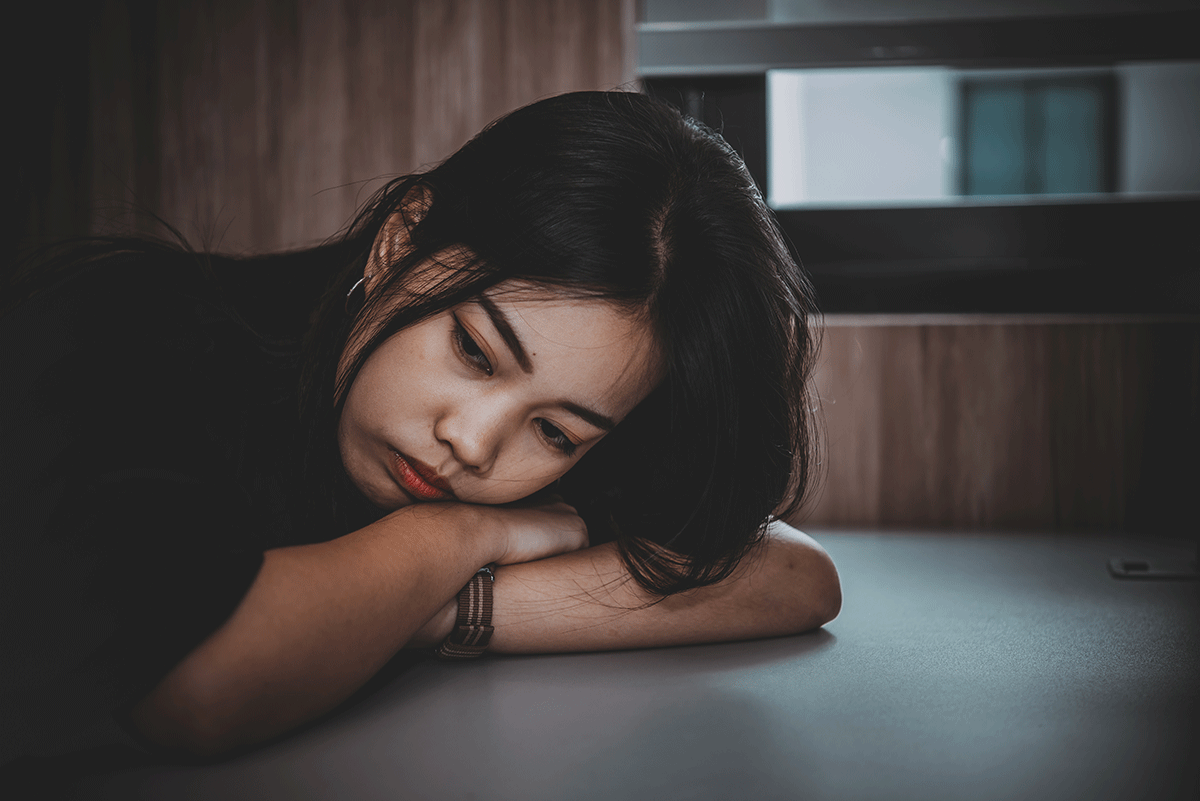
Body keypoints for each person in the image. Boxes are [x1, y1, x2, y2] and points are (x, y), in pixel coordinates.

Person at [0, 90, 839, 770]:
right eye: (474, 349)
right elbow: (201, 683)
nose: (474, 443)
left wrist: (427, 609)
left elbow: (793, 576)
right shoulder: (132, 336)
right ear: (403, 236)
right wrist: (460, 535)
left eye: (556, 434)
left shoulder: (579, 418)